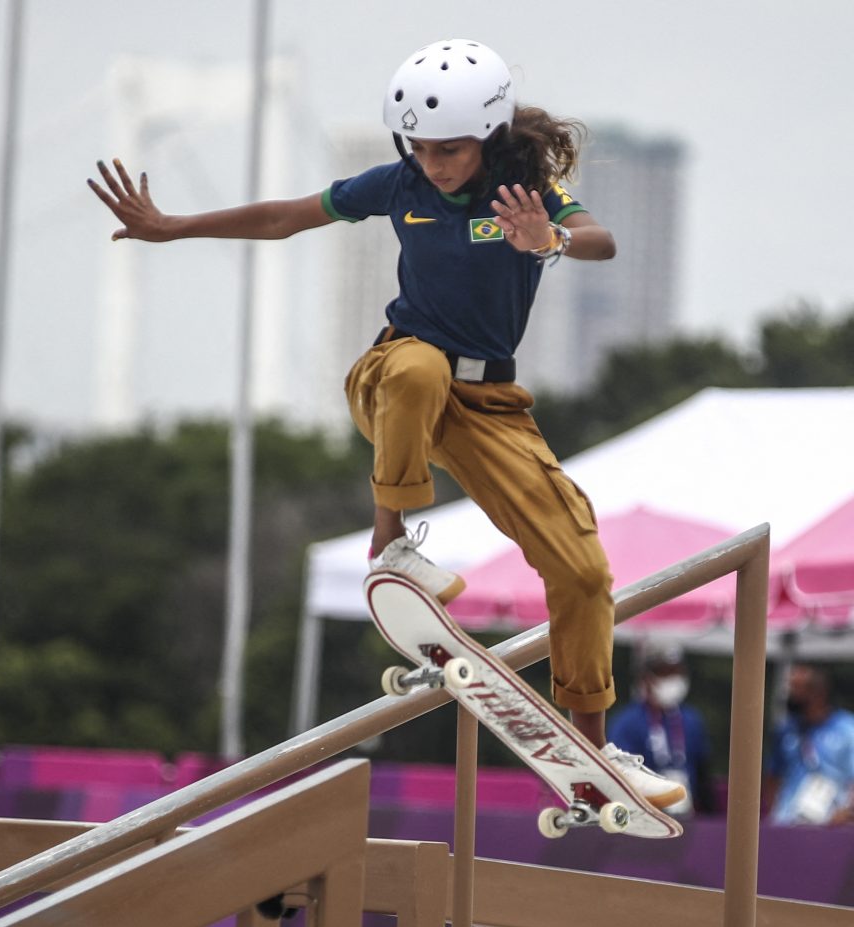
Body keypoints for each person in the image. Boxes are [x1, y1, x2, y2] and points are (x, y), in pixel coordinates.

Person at [89, 37, 683, 808]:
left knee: (584, 571)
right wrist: (175, 226)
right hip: (394, 378)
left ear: (490, 135)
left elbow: (599, 240)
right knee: (419, 364)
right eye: (423, 149)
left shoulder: (526, 188)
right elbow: (287, 215)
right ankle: (389, 540)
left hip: (492, 410)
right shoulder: (398, 184)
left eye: (452, 150)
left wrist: (551, 239)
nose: (435, 165)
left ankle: (597, 765)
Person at [607, 643, 712, 816]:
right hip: (641, 814)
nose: (672, 679)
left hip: (688, 815)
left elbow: (703, 774)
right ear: (646, 678)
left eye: (676, 672)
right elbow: (619, 773)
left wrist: (709, 815)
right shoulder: (627, 723)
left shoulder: (692, 720)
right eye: (664, 672)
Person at [765, 662, 854, 825]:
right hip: (787, 822)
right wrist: (774, 814)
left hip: (831, 824)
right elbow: (773, 776)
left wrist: (847, 812)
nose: (789, 695)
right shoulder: (785, 730)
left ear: (818, 693)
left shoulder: (847, 729)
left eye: (796, 688)